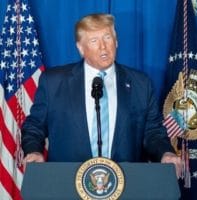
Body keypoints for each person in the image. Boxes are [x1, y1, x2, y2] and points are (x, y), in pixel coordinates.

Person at [21, 13, 181, 177]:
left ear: (116, 41)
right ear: (80, 48)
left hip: (127, 184)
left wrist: (165, 153)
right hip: (67, 183)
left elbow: (153, 132)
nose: (103, 47)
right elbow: (34, 127)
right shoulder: (53, 82)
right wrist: (33, 151)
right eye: (94, 41)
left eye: (107, 38)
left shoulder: (141, 83)